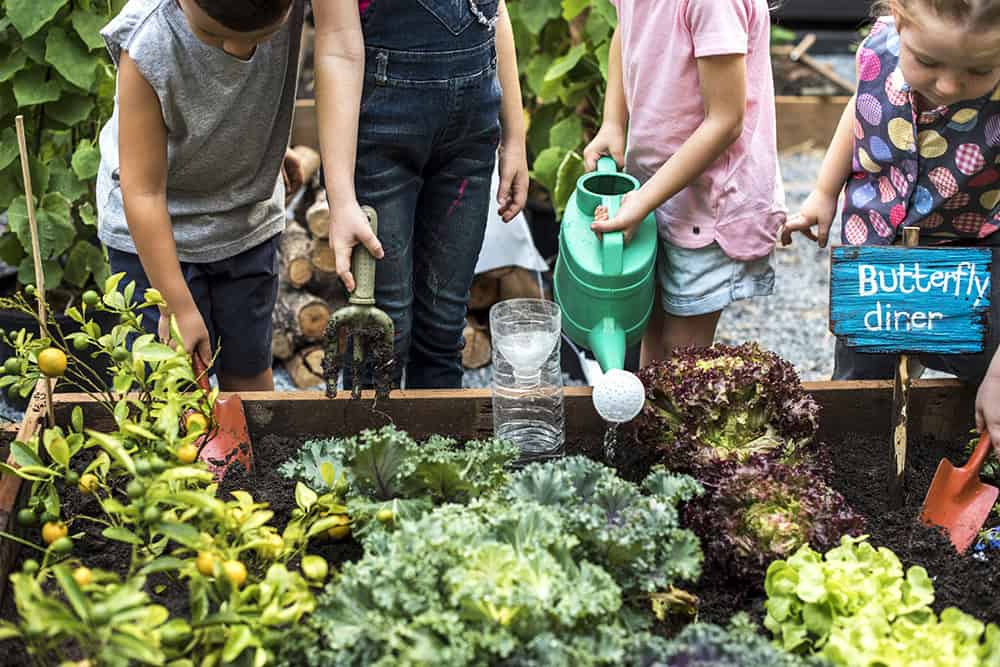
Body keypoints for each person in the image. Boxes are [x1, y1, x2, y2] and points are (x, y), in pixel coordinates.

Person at [782, 0, 1000, 453]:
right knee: (864, 381)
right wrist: (824, 191)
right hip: (877, 252)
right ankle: (860, 461)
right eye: (927, 61)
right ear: (898, 21)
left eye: (979, 72)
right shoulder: (878, 46)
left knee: (983, 367)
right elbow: (862, 106)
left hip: (970, 254)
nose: (948, 85)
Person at [312, 0, 528, 389]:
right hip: (380, 136)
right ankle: (374, 449)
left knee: (444, 329)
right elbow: (337, 44)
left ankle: (436, 449)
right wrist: (341, 197)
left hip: (470, 140)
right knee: (383, 330)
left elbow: (496, 12)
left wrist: (515, 136)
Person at [96, 0, 305, 391]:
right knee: (169, 386)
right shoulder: (148, 41)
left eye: (261, 40)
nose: (232, 52)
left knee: (249, 371)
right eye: (211, 35)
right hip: (155, 235)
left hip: (245, 224)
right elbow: (142, 190)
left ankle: (250, 451)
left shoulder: (279, 9)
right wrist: (173, 305)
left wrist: (258, 145)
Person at [583, 0, 785, 366]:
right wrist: (612, 121)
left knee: (682, 358)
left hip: (711, 203)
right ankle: (648, 422)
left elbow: (725, 121)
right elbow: (623, 33)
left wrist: (641, 202)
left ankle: (673, 423)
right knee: (652, 328)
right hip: (655, 189)